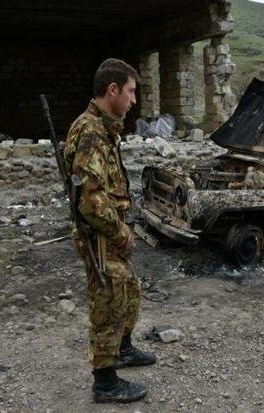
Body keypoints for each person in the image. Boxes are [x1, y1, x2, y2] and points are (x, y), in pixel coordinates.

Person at [63, 58, 156, 403]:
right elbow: (90, 200)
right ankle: (105, 382)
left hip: (110, 231)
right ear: (112, 89)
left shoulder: (104, 129)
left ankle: (124, 348)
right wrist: (120, 233)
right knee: (108, 301)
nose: (133, 101)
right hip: (101, 234)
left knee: (129, 290)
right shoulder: (90, 132)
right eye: (130, 92)